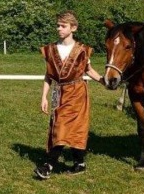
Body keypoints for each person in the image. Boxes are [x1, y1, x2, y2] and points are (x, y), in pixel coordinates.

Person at [34, 11, 103, 180]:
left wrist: (103, 80)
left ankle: (48, 165)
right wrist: (44, 96)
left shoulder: (82, 50)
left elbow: (89, 70)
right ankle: (79, 163)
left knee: (65, 126)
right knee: (62, 125)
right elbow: (48, 75)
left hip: (78, 91)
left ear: (73, 28)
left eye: (63, 26)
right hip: (59, 92)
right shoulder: (51, 49)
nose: (59, 29)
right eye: (58, 25)